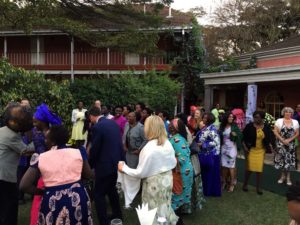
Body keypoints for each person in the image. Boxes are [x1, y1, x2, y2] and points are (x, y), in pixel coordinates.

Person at [20, 125, 93, 225]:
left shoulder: (41, 157)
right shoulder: (78, 152)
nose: (45, 141)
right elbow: (88, 174)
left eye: (46, 138)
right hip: (78, 196)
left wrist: (41, 192)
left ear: (53, 141)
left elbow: (24, 185)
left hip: (53, 199)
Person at [118, 115, 178, 225]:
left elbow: (140, 173)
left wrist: (124, 168)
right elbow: (173, 162)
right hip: (167, 180)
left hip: (154, 185)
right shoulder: (167, 143)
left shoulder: (149, 148)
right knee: (164, 207)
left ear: (149, 128)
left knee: (152, 212)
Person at [0, 103, 34, 225]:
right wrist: (39, 139)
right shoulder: (11, 136)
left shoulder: (3, 130)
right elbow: (27, 151)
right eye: (20, 119)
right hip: (5, 179)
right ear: (11, 122)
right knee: (9, 210)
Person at [89, 106, 123, 225]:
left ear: (91, 116)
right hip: (116, 164)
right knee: (111, 191)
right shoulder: (113, 123)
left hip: (104, 166)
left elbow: (95, 149)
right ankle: (118, 215)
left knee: (98, 194)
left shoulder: (97, 127)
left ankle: (103, 221)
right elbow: (119, 143)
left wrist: (90, 165)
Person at [30, 103, 62, 225]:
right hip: (40, 168)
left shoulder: (49, 135)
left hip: (47, 169)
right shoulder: (37, 131)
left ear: (43, 121)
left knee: (43, 198)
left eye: (35, 122)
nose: (34, 124)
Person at [242, 111, 273, 195]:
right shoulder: (249, 126)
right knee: (249, 169)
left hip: (261, 150)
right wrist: (245, 148)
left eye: (258, 117)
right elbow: (243, 138)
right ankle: (245, 184)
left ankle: (258, 187)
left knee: (259, 170)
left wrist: (270, 145)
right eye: (255, 117)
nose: (256, 119)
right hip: (251, 150)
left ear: (262, 118)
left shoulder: (266, 127)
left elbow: (270, 138)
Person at [169, 119, 193, 224]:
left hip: (181, 172)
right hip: (183, 171)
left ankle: (177, 221)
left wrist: (165, 161)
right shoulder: (177, 138)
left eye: (171, 125)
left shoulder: (176, 139)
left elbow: (181, 158)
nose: (168, 126)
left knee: (176, 196)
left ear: (176, 128)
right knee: (179, 195)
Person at [195, 112, 221, 197]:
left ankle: (209, 191)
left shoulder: (212, 129)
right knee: (205, 174)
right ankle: (205, 190)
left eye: (205, 118)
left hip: (211, 156)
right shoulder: (206, 128)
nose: (203, 119)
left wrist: (203, 145)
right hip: (204, 154)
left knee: (210, 175)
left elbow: (215, 142)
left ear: (210, 119)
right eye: (204, 117)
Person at [274, 107, 299, 186]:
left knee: (289, 161)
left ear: (291, 113)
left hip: (290, 145)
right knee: (281, 161)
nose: (288, 113)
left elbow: (297, 133)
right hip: (281, 144)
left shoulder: (295, 122)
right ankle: (282, 176)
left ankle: (288, 177)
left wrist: (289, 140)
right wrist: (282, 140)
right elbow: (275, 132)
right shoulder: (279, 121)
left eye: (289, 112)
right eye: (286, 112)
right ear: (283, 113)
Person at [219, 112, 243, 192]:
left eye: (232, 117)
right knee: (224, 166)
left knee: (231, 166)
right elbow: (219, 135)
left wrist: (235, 135)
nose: (231, 118)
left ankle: (232, 183)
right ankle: (224, 182)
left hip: (232, 148)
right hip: (224, 148)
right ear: (226, 117)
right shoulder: (222, 126)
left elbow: (240, 135)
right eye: (229, 117)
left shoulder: (234, 126)